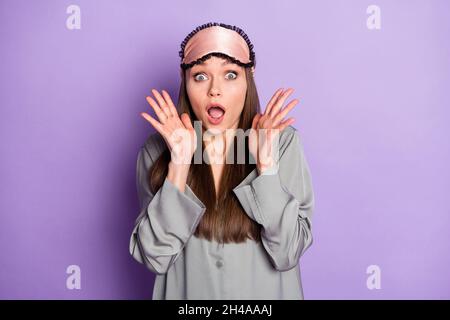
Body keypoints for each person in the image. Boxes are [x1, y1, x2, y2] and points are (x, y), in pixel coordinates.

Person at [129, 22, 315, 300]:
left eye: (230, 74)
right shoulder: (158, 151)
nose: (215, 90)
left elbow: (287, 253)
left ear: (248, 79)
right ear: (186, 82)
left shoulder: (282, 143)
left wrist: (267, 168)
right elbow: (156, 257)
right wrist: (179, 166)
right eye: (200, 76)